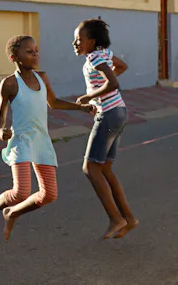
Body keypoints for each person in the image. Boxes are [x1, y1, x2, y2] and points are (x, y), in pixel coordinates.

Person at [0, 35, 95, 242]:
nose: (35, 54)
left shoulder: (42, 77)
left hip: (41, 141)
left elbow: (53, 102)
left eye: (36, 50)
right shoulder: (9, 84)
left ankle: (12, 213)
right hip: (21, 141)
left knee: (49, 195)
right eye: (29, 51)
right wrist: (0, 131)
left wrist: (80, 107)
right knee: (20, 192)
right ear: (14, 57)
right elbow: (0, 116)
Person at [73, 19, 139, 240]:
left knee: (90, 168)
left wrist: (89, 96)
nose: (75, 43)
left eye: (79, 39)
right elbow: (122, 67)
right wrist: (98, 91)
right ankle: (128, 218)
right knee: (105, 169)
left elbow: (113, 83)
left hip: (109, 114)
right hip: (119, 111)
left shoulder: (93, 57)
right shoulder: (105, 54)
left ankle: (115, 219)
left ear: (92, 41)